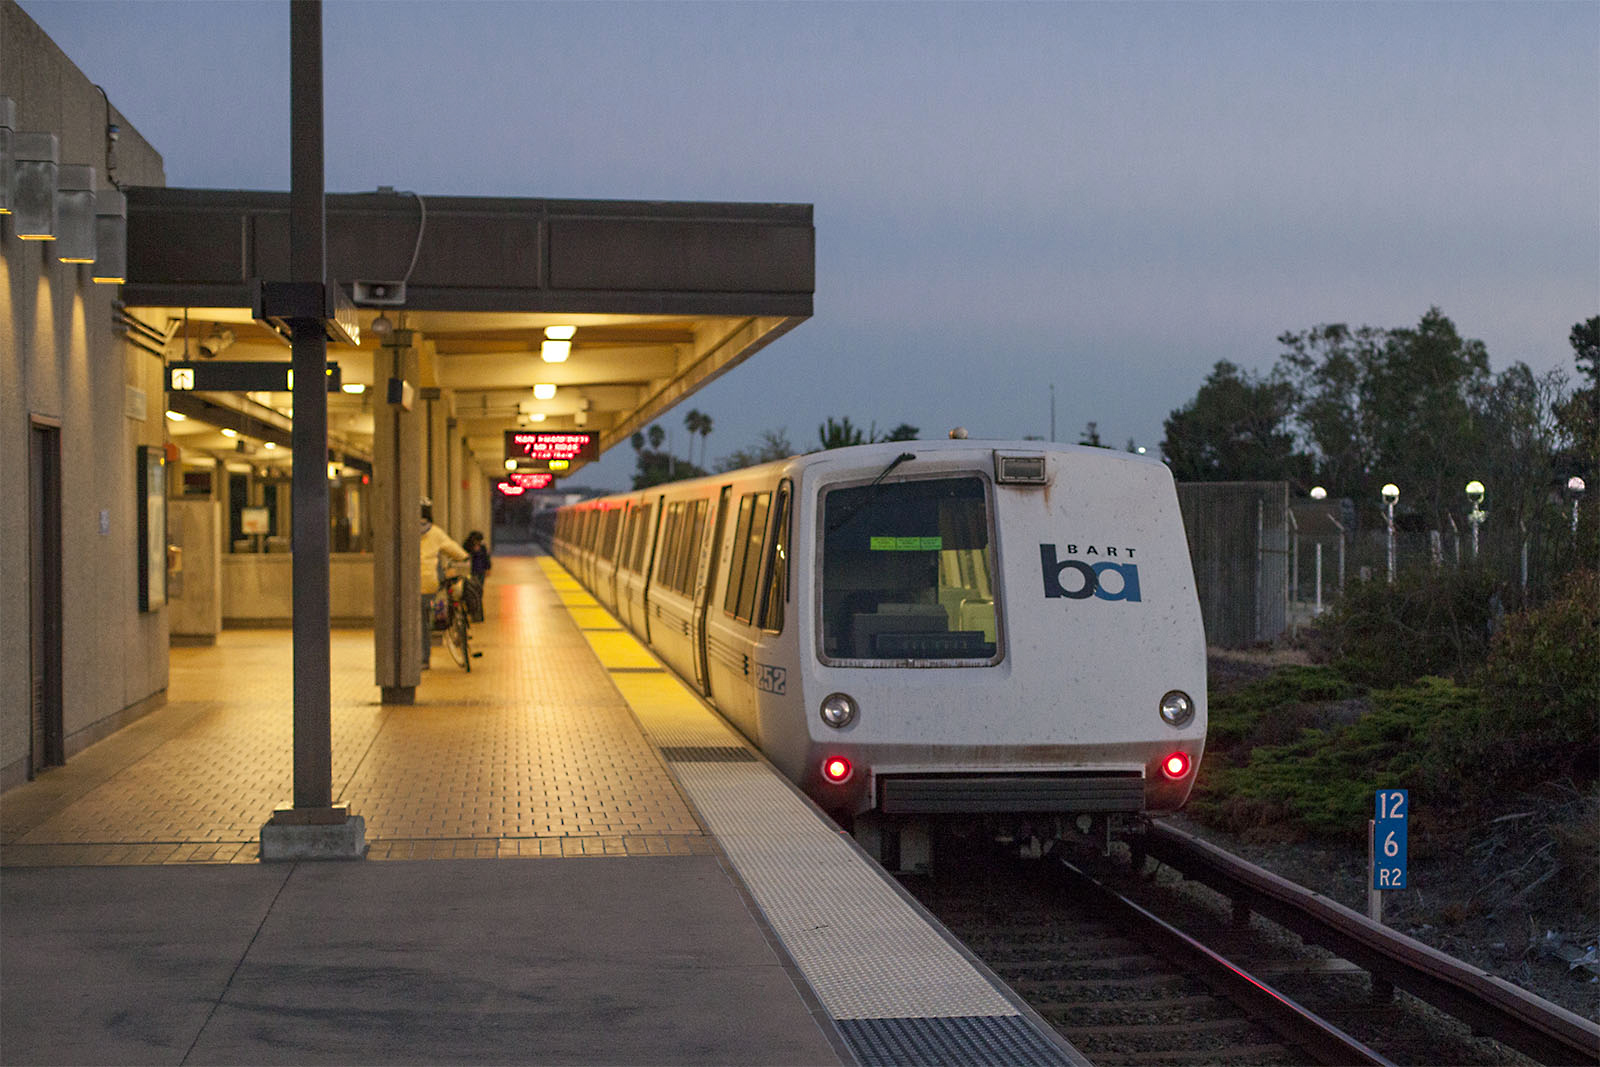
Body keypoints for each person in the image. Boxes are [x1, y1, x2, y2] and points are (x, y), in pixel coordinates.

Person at [419, 498, 469, 669]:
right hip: (431, 584)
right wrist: (464, 557)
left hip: (410, 585)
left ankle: (418, 658)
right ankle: (425, 658)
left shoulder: (407, 531)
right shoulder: (435, 532)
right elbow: (455, 551)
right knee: (429, 616)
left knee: (416, 622)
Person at [462, 530, 491, 622]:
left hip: (480, 571)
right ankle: (474, 612)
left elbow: (486, 558)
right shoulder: (467, 547)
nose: (478, 542)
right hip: (472, 572)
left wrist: (488, 568)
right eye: (477, 540)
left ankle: (477, 612)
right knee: (473, 591)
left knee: (479, 590)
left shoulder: (482, 547)